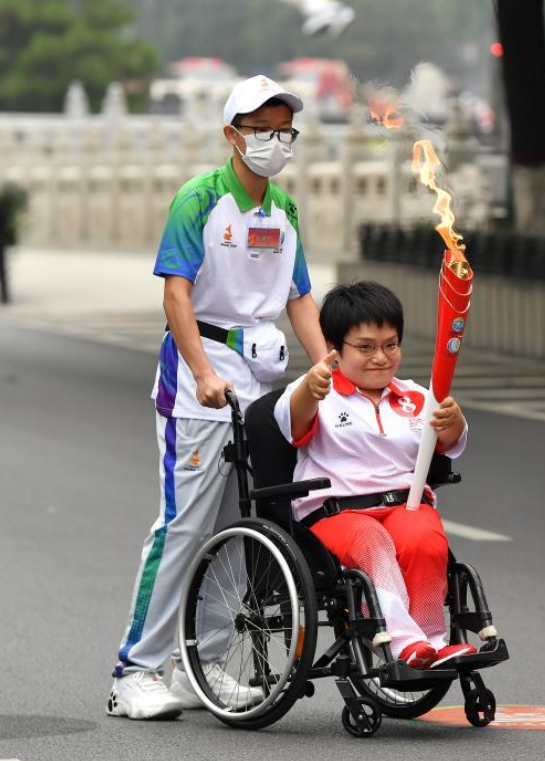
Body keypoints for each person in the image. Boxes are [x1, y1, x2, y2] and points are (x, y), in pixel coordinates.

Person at [108, 75, 329, 720]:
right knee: (184, 524)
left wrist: (329, 369)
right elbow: (176, 294)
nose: (275, 141)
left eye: (284, 130)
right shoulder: (199, 200)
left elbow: (300, 298)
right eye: (262, 129)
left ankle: (197, 667)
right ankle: (135, 670)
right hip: (199, 381)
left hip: (262, 378)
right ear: (233, 134)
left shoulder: (284, 211)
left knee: (241, 526)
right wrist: (203, 371)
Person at [274, 281, 476, 669]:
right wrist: (309, 390)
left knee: (425, 539)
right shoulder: (318, 390)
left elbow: (449, 442)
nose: (381, 357)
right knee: (373, 543)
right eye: (365, 347)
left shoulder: (416, 396)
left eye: (390, 345)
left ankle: (431, 640)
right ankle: (401, 642)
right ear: (335, 348)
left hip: (404, 504)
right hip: (336, 514)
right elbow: (294, 425)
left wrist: (454, 419)